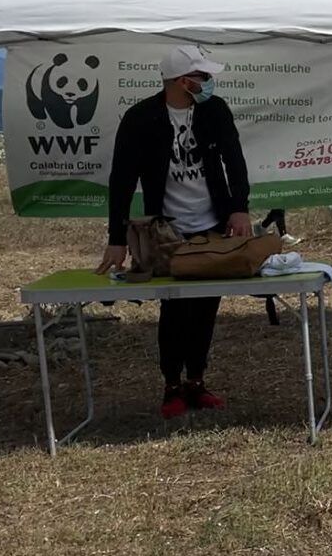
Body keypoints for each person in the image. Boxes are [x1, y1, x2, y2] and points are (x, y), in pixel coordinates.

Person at [96, 45, 252, 420]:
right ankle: (172, 384)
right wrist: (116, 239)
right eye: (204, 77)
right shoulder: (140, 118)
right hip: (165, 231)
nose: (209, 83)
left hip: (212, 225)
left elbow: (234, 159)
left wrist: (239, 207)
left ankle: (197, 380)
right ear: (184, 81)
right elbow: (121, 180)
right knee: (174, 307)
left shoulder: (215, 110)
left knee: (206, 305)